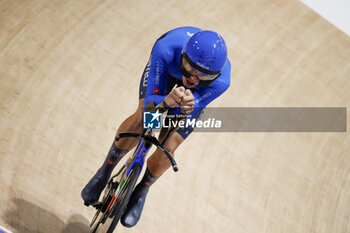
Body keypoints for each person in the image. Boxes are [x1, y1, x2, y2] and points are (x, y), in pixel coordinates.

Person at [81, 26, 231, 227]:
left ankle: (142, 189)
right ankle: (105, 170)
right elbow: (153, 100)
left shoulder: (221, 82)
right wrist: (166, 102)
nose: (193, 78)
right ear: (183, 56)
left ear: (214, 75)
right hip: (166, 75)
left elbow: (184, 111)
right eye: (190, 68)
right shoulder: (166, 49)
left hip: (188, 98)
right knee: (145, 115)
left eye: (203, 76)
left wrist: (185, 104)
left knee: (169, 144)